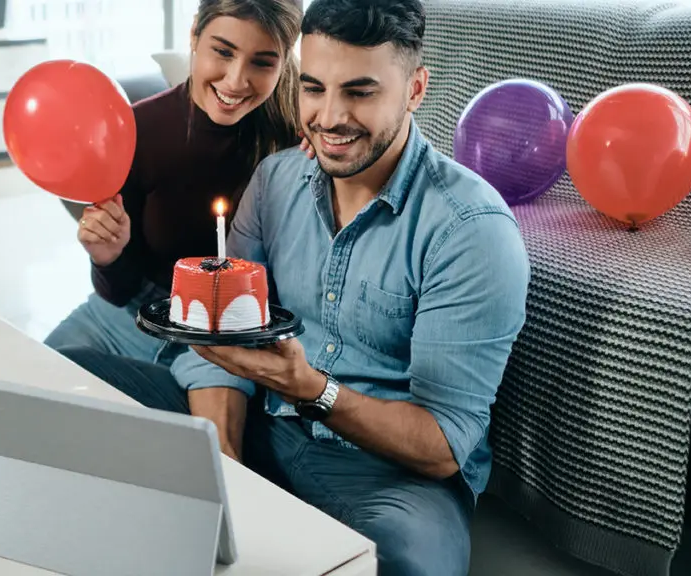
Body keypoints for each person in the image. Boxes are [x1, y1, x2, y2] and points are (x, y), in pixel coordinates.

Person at [58, 0, 531, 574]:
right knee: (62, 385)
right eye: (314, 88)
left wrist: (311, 389)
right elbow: (216, 343)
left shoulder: (469, 230)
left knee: (408, 563)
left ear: (414, 90)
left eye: (359, 92)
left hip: (381, 476)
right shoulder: (275, 179)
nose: (330, 117)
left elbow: (443, 445)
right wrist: (223, 458)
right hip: (256, 420)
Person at [43, 0, 304, 367]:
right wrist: (108, 257)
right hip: (129, 317)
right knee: (19, 390)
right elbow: (117, 293)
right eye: (222, 52)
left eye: (262, 62)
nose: (235, 80)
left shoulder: (298, 139)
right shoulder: (136, 130)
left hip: (230, 338)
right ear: (195, 32)